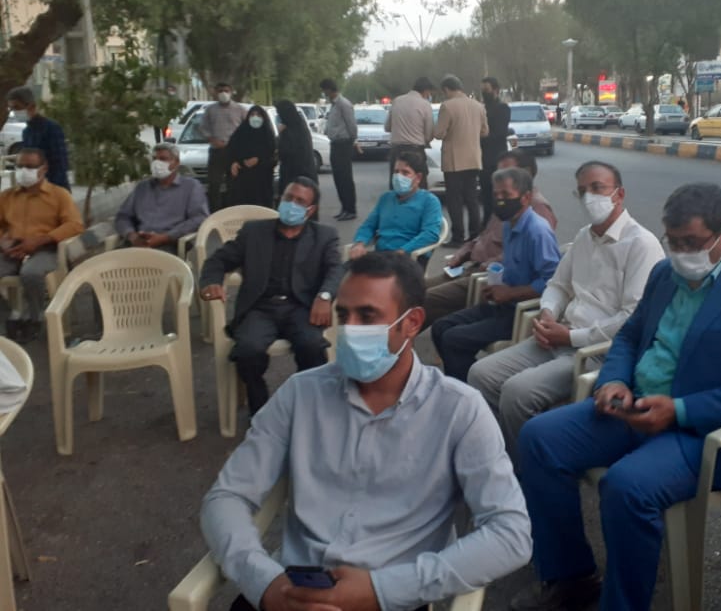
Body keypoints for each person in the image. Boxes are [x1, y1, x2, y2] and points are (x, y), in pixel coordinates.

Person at [512, 182, 721, 611]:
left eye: (693, 243)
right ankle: (571, 577)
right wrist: (613, 380)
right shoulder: (665, 274)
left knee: (626, 487)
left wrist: (679, 410)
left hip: (702, 433)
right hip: (635, 407)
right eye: (673, 241)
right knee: (539, 438)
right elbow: (630, 336)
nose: (682, 253)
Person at [200, 251, 532, 611]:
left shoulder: (458, 411)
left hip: (393, 598)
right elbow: (228, 496)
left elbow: (510, 533)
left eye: (368, 316)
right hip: (293, 591)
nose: (350, 330)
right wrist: (265, 582)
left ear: (412, 322)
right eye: (344, 316)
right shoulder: (301, 394)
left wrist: (381, 590)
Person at [468, 161, 663, 467]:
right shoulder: (584, 237)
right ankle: (503, 458)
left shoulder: (641, 245)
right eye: (582, 191)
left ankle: (527, 472)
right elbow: (558, 285)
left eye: (597, 188)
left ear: (619, 194)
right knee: (481, 374)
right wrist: (548, 313)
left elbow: (632, 317)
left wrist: (570, 336)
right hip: (557, 336)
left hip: (597, 352)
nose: (589, 198)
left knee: (517, 393)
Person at [199, 178, 341, 416]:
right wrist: (211, 282)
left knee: (312, 346)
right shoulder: (254, 232)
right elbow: (218, 260)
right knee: (248, 350)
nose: (291, 204)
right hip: (260, 307)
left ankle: (306, 406)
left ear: (310, 210)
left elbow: (336, 269)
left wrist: (325, 296)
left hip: (300, 307)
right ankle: (261, 408)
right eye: (288, 197)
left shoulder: (324, 236)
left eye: (300, 201)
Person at [431, 166, 560, 383]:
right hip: (501, 304)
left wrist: (510, 293)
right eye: (496, 194)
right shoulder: (508, 224)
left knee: (454, 339)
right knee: (440, 327)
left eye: (506, 195)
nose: (500, 200)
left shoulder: (538, 231)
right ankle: (464, 381)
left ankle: (469, 390)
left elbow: (552, 282)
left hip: (522, 311)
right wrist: (497, 283)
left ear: (525, 197)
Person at [422, 148, 556, 329]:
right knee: (415, 289)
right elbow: (484, 235)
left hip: (485, 275)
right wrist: (464, 251)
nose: (500, 178)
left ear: (526, 174)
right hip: (468, 267)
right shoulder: (505, 207)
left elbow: (532, 263)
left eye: (507, 171)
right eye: (498, 172)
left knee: (426, 299)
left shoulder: (536, 211)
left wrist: (493, 264)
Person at [0, 148, 84, 341]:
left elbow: (75, 225)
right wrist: (3, 242)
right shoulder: (7, 197)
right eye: (20, 166)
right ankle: (11, 316)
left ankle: (35, 318)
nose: (23, 171)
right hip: (12, 249)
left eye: (30, 167)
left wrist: (42, 239)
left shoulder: (58, 195)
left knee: (31, 273)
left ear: (43, 168)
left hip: (46, 248)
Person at [347, 150, 442, 266]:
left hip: (410, 259)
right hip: (382, 256)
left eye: (405, 173)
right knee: (343, 271)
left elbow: (430, 234)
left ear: (418, 177)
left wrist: (402, 251)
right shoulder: (386, 198)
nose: (399, 177)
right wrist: (359, 243)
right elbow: (369, 225)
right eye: (396, 172)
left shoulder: (429, 201)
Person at [114, 142, 209, 251]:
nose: (157, 163)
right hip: (137, 242)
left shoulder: (191, 187)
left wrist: (166, 237)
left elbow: (199, 218)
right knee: (108, 260)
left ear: (176, 162)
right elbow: (122, 216)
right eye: (154, 159)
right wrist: (131, 235)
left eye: (163, 159)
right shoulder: (142, 187)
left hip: (170, 244)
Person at [434, 74, 488, 246]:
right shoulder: (478, 106)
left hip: (453, 161)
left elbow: (438, 133)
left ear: (446, 89)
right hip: (473, 158)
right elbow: (485, 131)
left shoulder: (447, 106)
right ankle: (475, 235)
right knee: (472, 199)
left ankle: (458, 236)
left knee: (455, 200)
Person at [6, 86, 70, 191]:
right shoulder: (26, 132)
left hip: (54, 189)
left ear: (31, 106)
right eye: (11, 109)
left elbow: (60, 164)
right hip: (33, 188)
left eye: (17, 107)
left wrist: (51, 190)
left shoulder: (51, 128)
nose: (14, 112)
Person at [199, 82, 246, 211]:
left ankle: (233, 211)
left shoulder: (240, 109)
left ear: (231, 92)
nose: (223, 93)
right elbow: (202, 128)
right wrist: (211, 139)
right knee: (214, 184)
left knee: (234, 184)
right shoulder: (210, 110)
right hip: (217, 151)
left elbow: (247, 128)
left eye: (226, 90)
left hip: (234, 152)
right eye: (220, 91)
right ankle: (215, 211)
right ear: (215, 93)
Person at [385, 76, 434, 189]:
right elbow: (428, 135)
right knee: (418, 187)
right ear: (426, 91)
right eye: (429, 93)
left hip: (396, 151)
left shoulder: (397, 101)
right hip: (416, 152)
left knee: (397, 186)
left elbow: (387, 127)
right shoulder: (425, 105)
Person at [320, 78, 358, 221]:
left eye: (324, 90)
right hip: (335, 144)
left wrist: (352, 141)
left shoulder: (343, 104)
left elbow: (351, 125)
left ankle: (350, 209)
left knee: (345, 178)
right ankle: (344, 208)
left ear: (329, 89)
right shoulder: (334, 105)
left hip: (343, 144)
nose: (324, 93)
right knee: (338, 178)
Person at [225, 105, 276, 207]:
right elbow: (230, 151)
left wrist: (259, 160)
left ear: (264, 118)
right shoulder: (240, 133)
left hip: (262, 183)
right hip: (242, 182)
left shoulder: (268, 136)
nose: (255, 118)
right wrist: (233, 163)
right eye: (252, 115)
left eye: (258, 115)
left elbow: (273, 158)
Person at [480, 76, 511, 221]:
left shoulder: (502, 108)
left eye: (487, 89)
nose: (484, 93)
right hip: (482, 158)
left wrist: (482, 136)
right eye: (483, 90)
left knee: (498, 194)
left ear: (496, 90)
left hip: (497, 158)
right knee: (485, 194)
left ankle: (498, 223)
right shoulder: (481, 108)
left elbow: (500, 133)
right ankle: (487, 223)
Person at [275, 100, 317, 201]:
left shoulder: (292, 130)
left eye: (280, 113)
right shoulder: (298, 125)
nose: (279, 117)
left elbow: (286, 151)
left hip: (297, 175)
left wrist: (280, 135)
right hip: (300, 173)